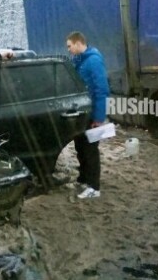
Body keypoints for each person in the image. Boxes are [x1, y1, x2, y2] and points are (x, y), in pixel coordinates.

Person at [66, 31, 110, 199]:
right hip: (82, 113)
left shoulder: (93, 61)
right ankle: (84, 178)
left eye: (70, 46)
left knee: (90, 150)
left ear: (78, 43)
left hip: (92, 114)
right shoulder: (79, 61)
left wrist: (99, 118)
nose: (69, 50)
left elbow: (102, 90)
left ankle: (94, 187)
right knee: (81, 147)